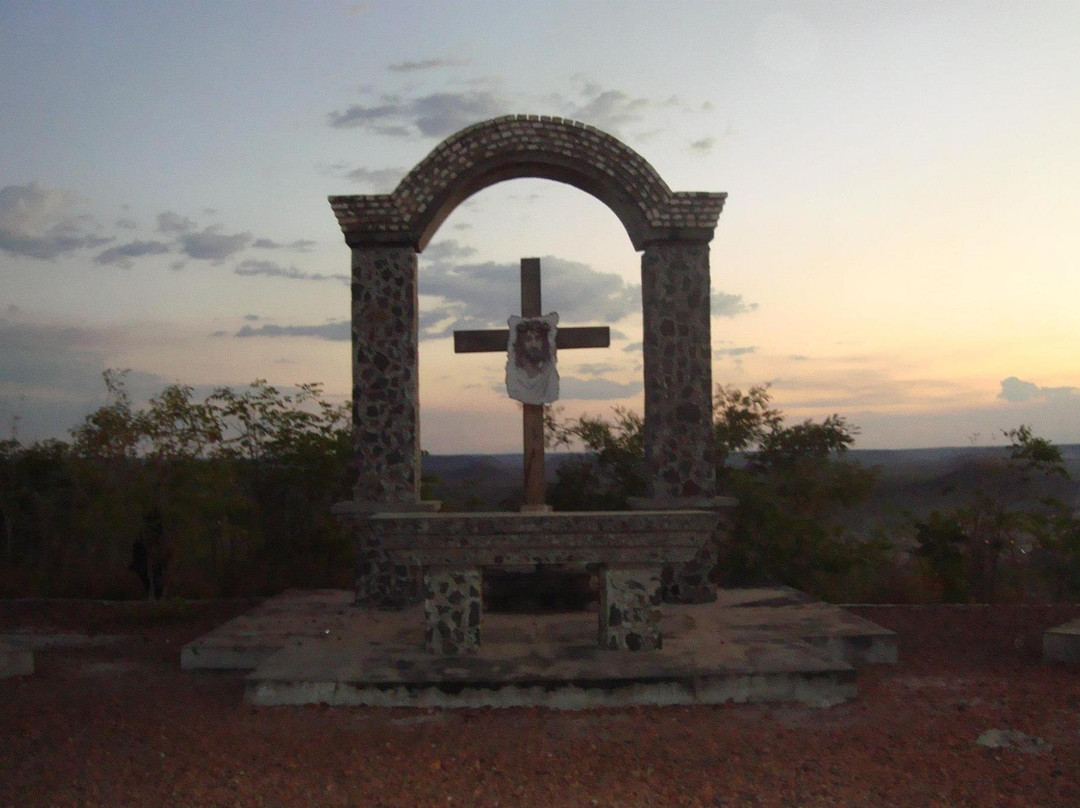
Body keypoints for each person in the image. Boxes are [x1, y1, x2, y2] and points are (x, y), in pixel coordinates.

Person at [505, 313, 559, 404]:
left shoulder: (548, 372)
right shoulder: (516, 374)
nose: (534, 344)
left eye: (537, 339)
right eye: (528, 339)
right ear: (521, 343)